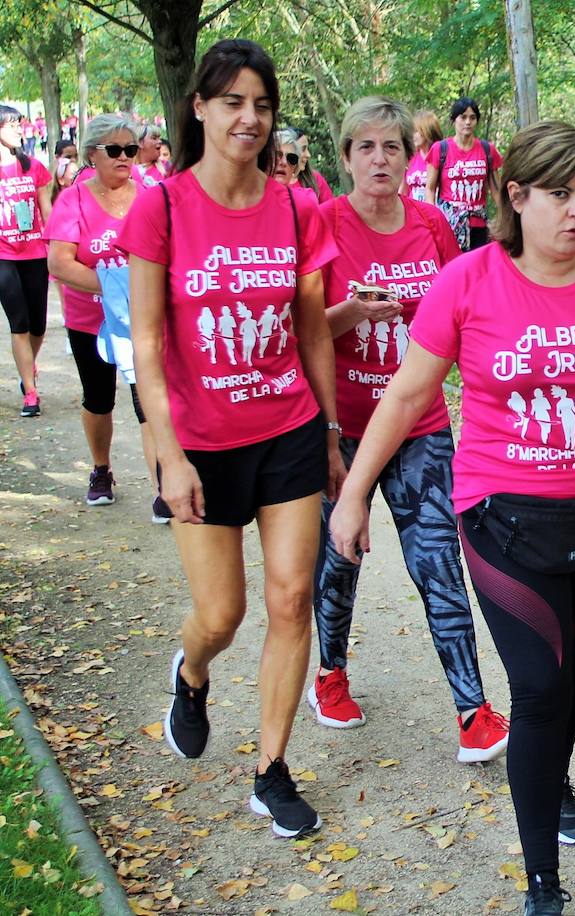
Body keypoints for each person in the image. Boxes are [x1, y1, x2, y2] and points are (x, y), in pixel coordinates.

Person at [329, 120, 575, 915]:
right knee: (537, 687)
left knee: (573, 675)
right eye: (560, 194)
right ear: (517, 197)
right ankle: (544, 887)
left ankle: (554, 778)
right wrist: (356, 493)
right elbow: (406, 395)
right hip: (500, 513)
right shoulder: (467, 281)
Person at [121, 38, 344, 839]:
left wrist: (328, 429)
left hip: (285, 427)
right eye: (233, 103)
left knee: (292, 600)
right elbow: (146, 340)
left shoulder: (296, 207)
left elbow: (313, 327)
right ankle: (190, 672)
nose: (250, 119)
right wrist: (167, 452)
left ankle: (271, 770)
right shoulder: (164, 205)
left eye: (262, 104)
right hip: (202, 443)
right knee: (222, 613)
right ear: (201, 109)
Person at [311, 95, 510, 762]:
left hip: (420, 425)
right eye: (365, 147)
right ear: (345, 160)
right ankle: (330, 673)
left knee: (438, 564)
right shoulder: (324, 223)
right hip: (342, 427)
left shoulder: (433, 226)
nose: (379, 158)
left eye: (391, 146)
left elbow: (465, 313)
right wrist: (353, 312)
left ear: (407, 157)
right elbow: (304, 330)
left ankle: (472, 711)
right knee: (339, 561)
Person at [46, 114, 167, 519]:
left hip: (143, 321)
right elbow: (60, 263)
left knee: (147, 400)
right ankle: (101, 469)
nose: (124, 158)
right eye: (114, 150)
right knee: (99, 399)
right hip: (90, 321)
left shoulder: (151, 194)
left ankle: (161, 487)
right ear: (92, 155)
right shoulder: (73, 200)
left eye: (131, 150)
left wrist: (141, 290)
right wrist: (116, 285)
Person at [1, 105, 53, 418]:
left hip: (35, 253)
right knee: (18, 323)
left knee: (38, 325)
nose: (19, 129)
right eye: (12, 125)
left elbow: (47, 213)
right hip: (3, 256)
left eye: (20, 124)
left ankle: (27, 366)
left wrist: (60, 248)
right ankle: (30, 391)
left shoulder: (33, 167)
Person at [424, 96, 502, 251]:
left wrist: (506, 217)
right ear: (454, 120)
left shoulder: (487, 150)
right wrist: (432, 220)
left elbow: (496, 189)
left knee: (479, 269)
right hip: (449, 223)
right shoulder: (441, 149)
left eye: (472, 118)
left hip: (479, 223)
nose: (468, 122)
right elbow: (430, 188)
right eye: (463, 117)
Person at [406, 109, 443, 201]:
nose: (412, 135)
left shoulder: (443, 156)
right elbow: (402, 190)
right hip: (413, 211)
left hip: (436, 211)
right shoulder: (410, 157)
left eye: (416, 131)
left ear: (427, 131)